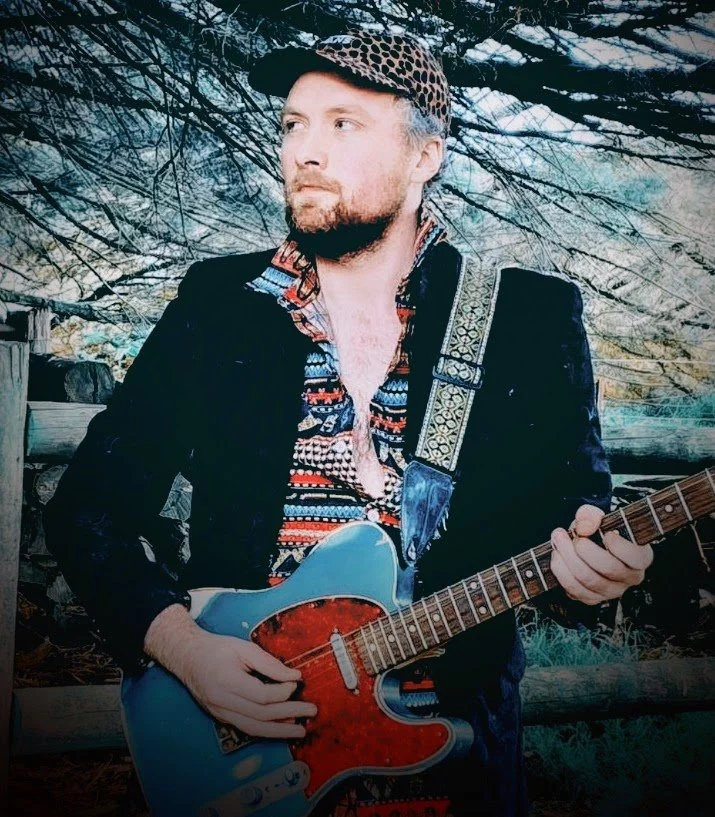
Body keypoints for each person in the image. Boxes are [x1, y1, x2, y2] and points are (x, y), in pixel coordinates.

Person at [44, 30, 654, 817]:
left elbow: (577, 519)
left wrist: (601, 570)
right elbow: (86, 507)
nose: (304, 149)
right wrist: (183, 647)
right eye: (293, 124)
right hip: (239, 756)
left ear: (424, 156)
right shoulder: (218, 305)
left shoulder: (525, 318)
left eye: (342, 124)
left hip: (449, 763)